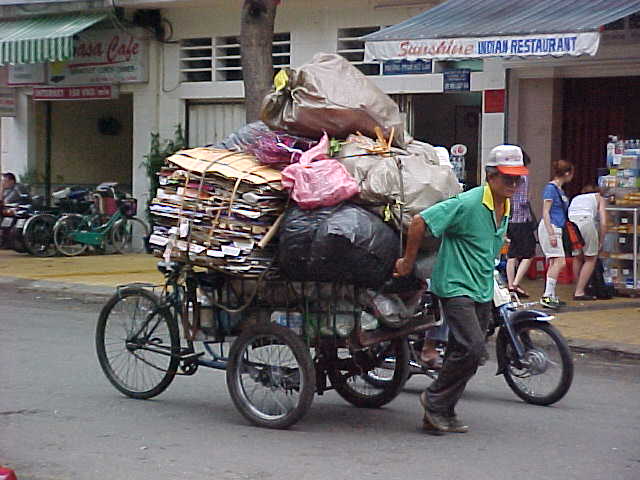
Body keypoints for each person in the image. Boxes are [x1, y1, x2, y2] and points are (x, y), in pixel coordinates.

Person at [394, 144, 527, 435]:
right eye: (508, 178)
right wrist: (407, 260)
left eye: (518, 179)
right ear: (490, 176)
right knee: (472, 347)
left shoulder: (503, 207)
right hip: (455, 286)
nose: (513, 184)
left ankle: (441, 410)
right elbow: (420, 221)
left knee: (468, 353)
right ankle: (434, 398)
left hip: (481, 287)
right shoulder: (469, 202)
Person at [538, 160, 575, 309]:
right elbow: (546, 211)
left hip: (556, 226)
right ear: (566, 174)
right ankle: (547, 295)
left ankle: (551, 295)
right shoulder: (551, 189)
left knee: (555, 262)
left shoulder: (558, 189)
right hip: (551, 227)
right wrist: (551, 233)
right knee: (560, 262)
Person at [568, 184, 608, 300]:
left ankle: (577, 286)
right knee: (591, 258)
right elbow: (604, 223)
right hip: (585, 221)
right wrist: (600, 241)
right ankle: (579, 291)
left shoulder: (576, 198)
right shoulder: (599, 197)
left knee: (577, 257)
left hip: (571, 224)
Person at [505, 150, 535, 298]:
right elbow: (523, 201)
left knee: (512, 254)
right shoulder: (523, 176)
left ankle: (510, 284)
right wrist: (529, 197)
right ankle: (516, 284)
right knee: (528, 253)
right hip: (521, 219)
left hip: (509, 220)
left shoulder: (508, 175)